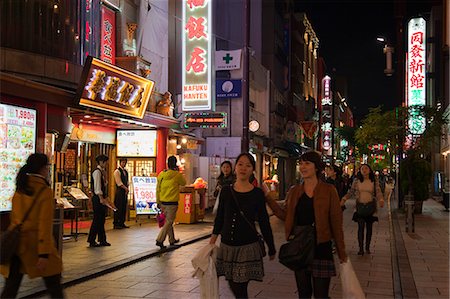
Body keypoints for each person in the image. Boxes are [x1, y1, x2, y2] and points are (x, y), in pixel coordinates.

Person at [266, 151, 347, 299]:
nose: (303, 167)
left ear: (316, 167)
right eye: (301, 163)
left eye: (307, 163)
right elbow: (285, 215)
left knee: (321, 295)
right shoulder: (295, 191)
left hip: (321, 248)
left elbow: (336, 223)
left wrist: (342, 252)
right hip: (301, 247)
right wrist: (268, 198)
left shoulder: (329, 191)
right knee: (303, 294)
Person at [209, 153, 276, 299]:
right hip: (227, 246)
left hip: (247, 246)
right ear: (235, 168)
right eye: (240, 164)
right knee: (232, 282)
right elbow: (220, 218)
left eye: (248, 165)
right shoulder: (226, 191)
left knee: (240, 287)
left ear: (252, 170)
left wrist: (271, 246)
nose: (243, 168)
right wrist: (212, 242)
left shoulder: (257, 194)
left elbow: (264, 221)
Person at [0, 153, 64, 298]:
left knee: (11, 287)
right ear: (42, 168)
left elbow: (14, 217)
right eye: (48, 167)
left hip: (15, 244)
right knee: (54, 284)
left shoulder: (20, 188)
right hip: (35, 246)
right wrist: (44, 254)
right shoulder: (45, 192)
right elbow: (44, 225)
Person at [341, 164, 385, 255]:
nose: (364, 170)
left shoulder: (374, 181)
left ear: (369, 170)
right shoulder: (356, 181)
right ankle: (361, 248)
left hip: (370, 207)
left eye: (366, 168)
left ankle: (367, 247)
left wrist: (381, 200)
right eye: (362, 169)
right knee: (360, 227)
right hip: (359, 207)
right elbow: (351, 192)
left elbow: (378, 191)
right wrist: (344, 199)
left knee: (369, 228)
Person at [155, 156, 186, 249]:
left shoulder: (161, 174)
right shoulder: (177, 175)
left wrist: (158, 201)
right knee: (168, 222)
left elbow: (157, 189)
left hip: (162, 202)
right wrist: (179, 172)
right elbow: (184, 183)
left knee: (168, 221)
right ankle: (160, 239)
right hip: (172, 203)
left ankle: (172, 239)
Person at [87, 154, 111, 247]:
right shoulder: (97, 172)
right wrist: (101, 198)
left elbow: (104, 184)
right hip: (98, 198)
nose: (106, 164)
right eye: (105, 162)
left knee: (101, 219)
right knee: (97, 219)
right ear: (101, 162)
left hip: (102, 198)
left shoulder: (102, 172)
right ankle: (91, 240)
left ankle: (102, 239)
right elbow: (97, 187)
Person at [113, 158, 129, 229]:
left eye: (125, 162)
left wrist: (127, 188)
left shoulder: (126, 171)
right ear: (120, 163)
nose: (124, 164)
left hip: (125, 192)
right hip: (119, 191)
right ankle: (116, 223)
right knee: (118, 207)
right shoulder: (117, 171)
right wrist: (125, 188)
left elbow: (127, 182)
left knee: (123, 207)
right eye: (123, 162)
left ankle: (122, 222)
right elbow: (119, 183)